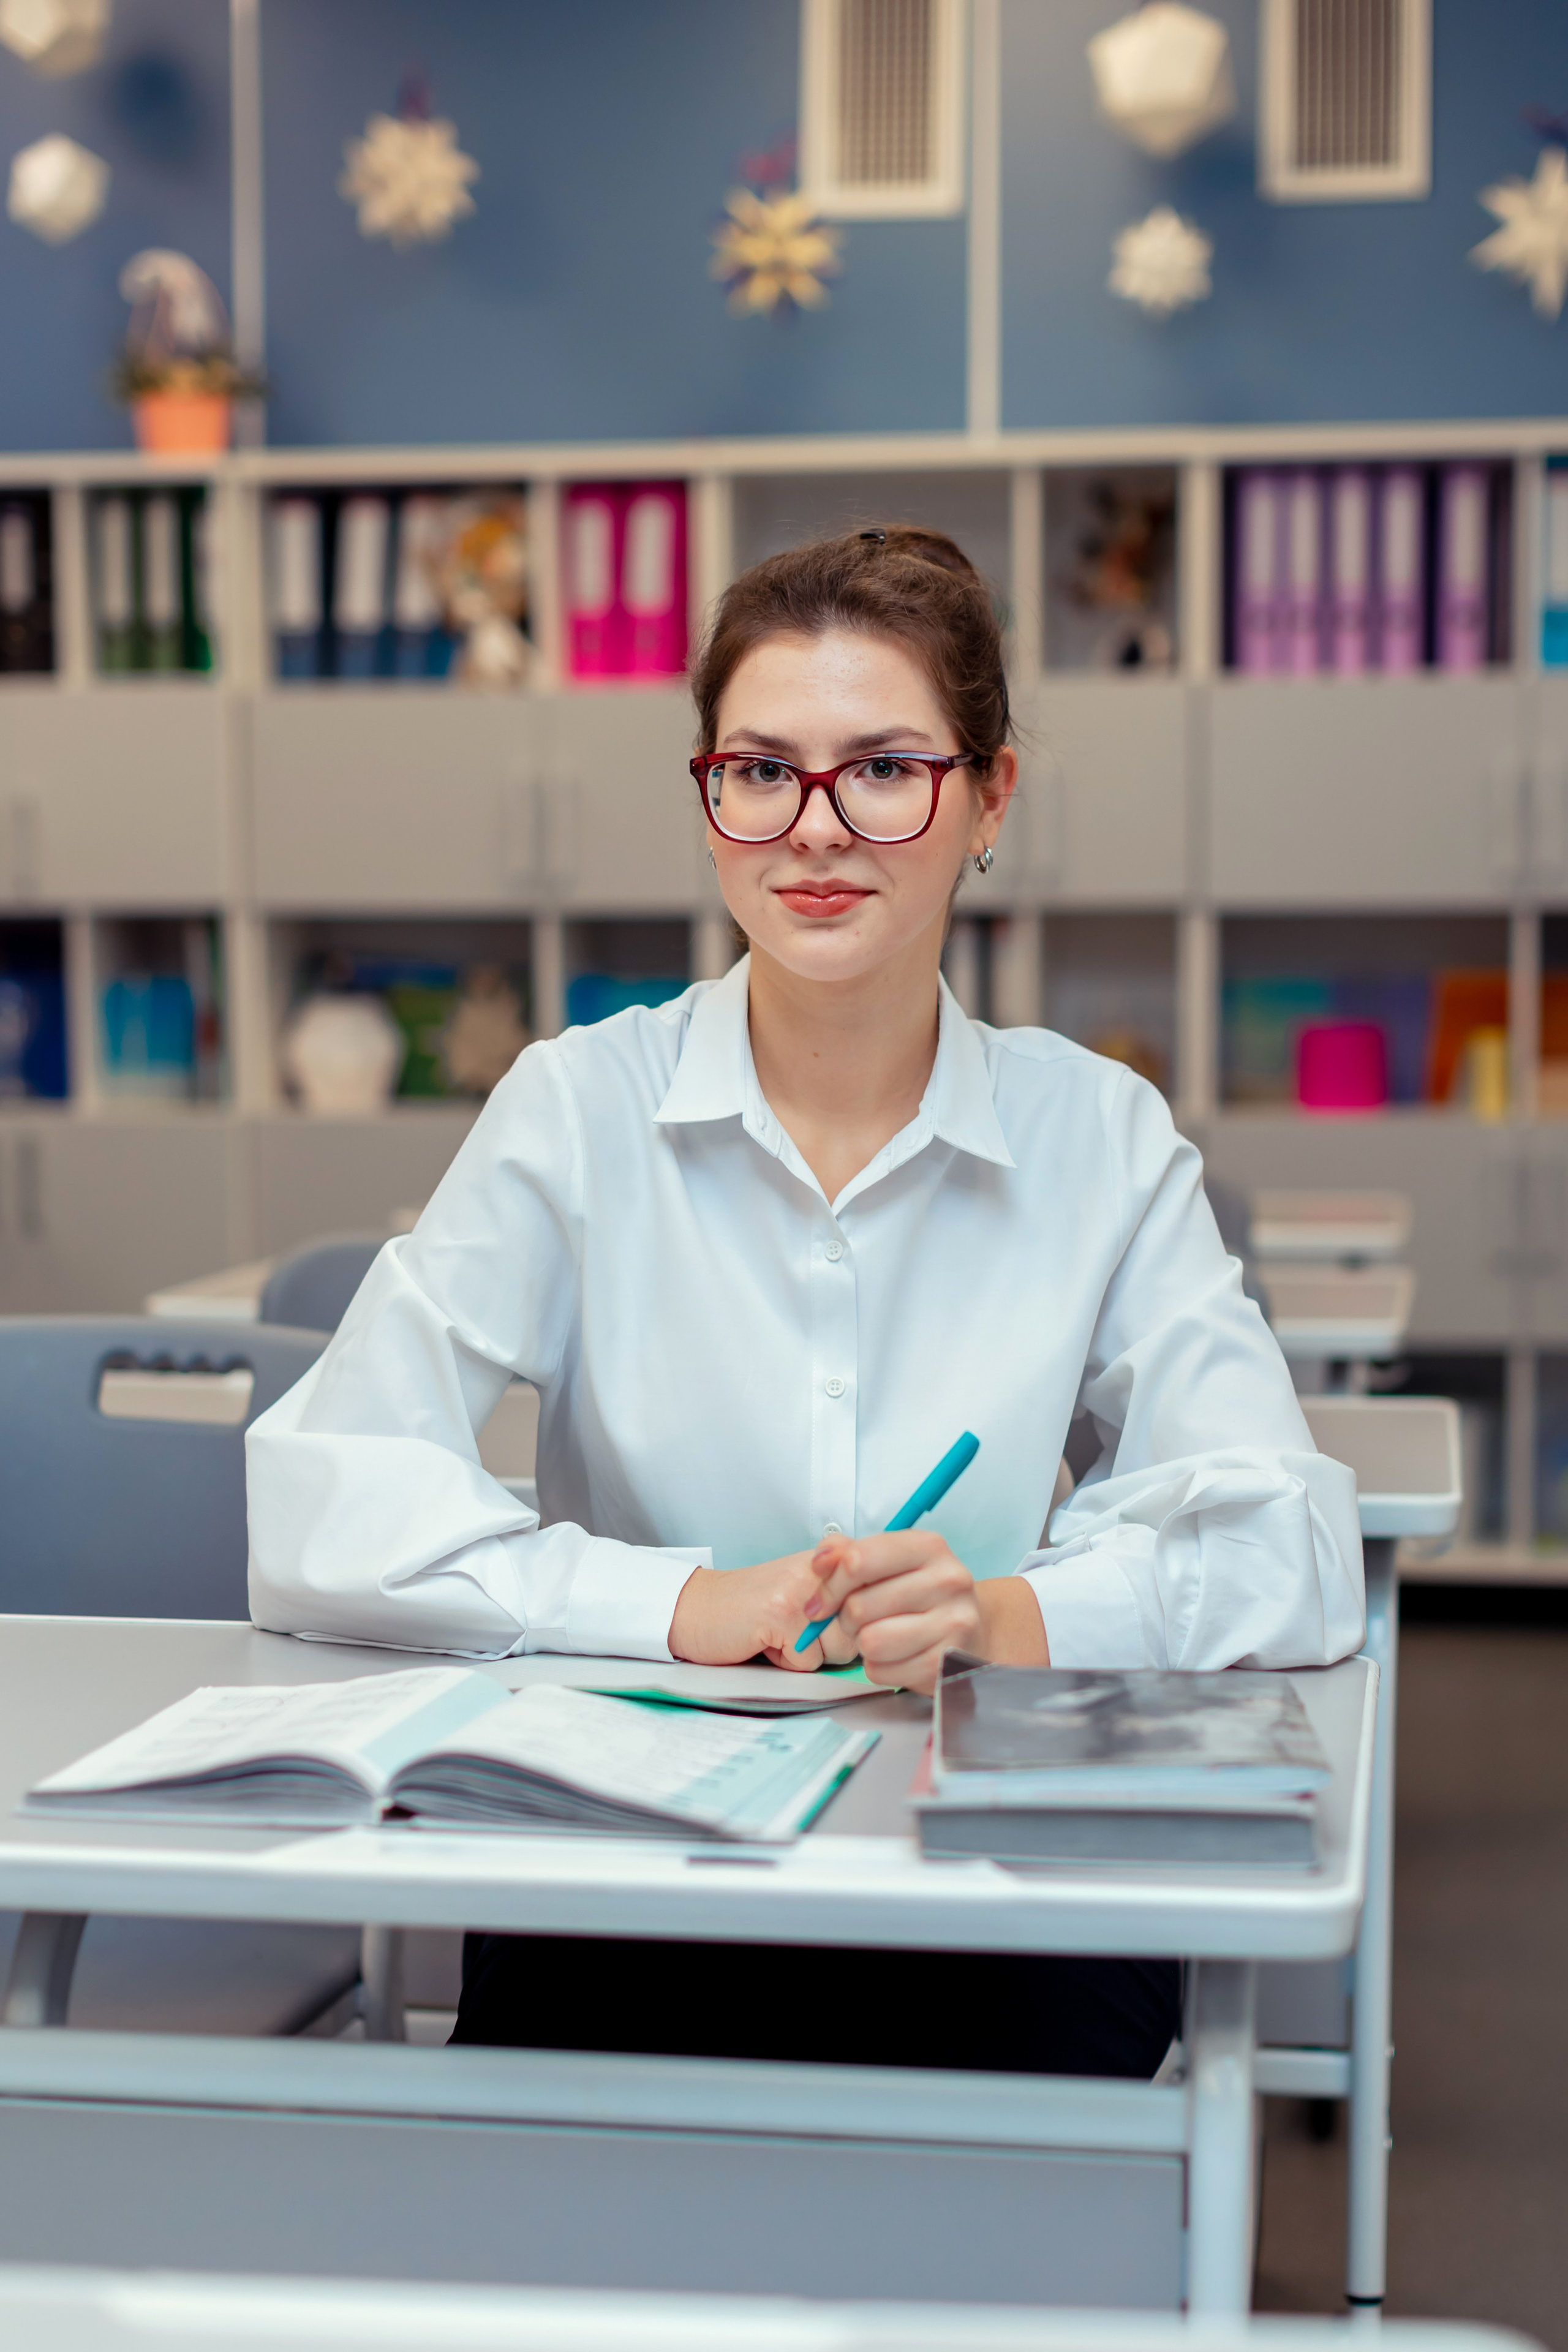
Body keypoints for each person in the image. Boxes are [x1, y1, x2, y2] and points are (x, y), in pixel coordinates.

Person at [247, 524, 1363, 2074]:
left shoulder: (1096, 1138)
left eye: (885, 769)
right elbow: (321, 1503)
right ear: (707, 800)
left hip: (985, 1855)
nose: (814, 832)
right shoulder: (575, 1108)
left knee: (1027, 2176)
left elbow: (1287, 1542)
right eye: (761, 771)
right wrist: (674, 1603)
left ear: (989, 795)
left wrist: (1007, 1614)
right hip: (634, 1844)